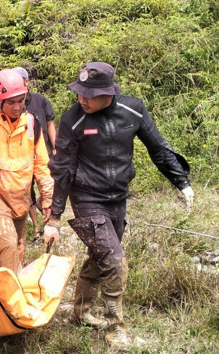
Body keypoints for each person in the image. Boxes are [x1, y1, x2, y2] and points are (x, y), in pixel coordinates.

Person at [44, 62, 193, 350]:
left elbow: (158, 148)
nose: (82, 99)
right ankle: (115, 328)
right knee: (114, 260)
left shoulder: (133, 110)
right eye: (80, 93)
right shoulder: (72, 120)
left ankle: (81, 313)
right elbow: (62, 169)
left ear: (109, 92)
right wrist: (54, 218)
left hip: (118, 196)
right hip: (86, 197)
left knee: (99, 258)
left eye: (90, 94)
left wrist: (181, 182)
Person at [0, 69, 53, 273]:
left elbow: (42, 164)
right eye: (11, 102)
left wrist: (47, 199)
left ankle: (11, 282)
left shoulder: (32, 124)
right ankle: (10, 297)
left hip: (21, 196)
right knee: (9, 243)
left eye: (20, 101)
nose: (17, 107)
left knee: (19, 245)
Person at [12, 67, 57, 234]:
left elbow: (50, 125)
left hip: (44, 152)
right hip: (23, 156)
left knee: (51, 185)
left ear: (27, 81)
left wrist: (55, 146)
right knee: (27, 190)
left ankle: (45, 209)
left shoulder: (40, 100)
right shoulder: (11, 103)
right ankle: (37, 227)